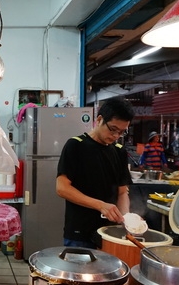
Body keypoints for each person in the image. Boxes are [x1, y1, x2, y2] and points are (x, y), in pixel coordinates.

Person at [56, 96, 135, 248]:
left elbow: (122, 192)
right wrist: (100, 205)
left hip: (110, 233)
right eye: (113, 129)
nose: (116, 136)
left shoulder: (119, 152)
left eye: (121, 132)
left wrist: (126, 219)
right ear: (99, 120)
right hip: (80, 233)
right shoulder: (76, 145)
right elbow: (62, 188)